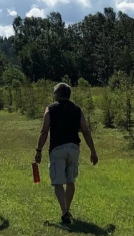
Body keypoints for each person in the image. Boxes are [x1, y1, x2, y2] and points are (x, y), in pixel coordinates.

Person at [33, 82, 98, 225]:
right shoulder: (77, 109)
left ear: (57, 94)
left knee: (57, 182)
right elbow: (86, 131)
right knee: (71, 180)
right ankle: (66, 210)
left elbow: (44, 131)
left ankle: (64, 213)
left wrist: (39, 150)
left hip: (57, 149)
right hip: (74, 148)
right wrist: (93, 151)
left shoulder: (50, 109)